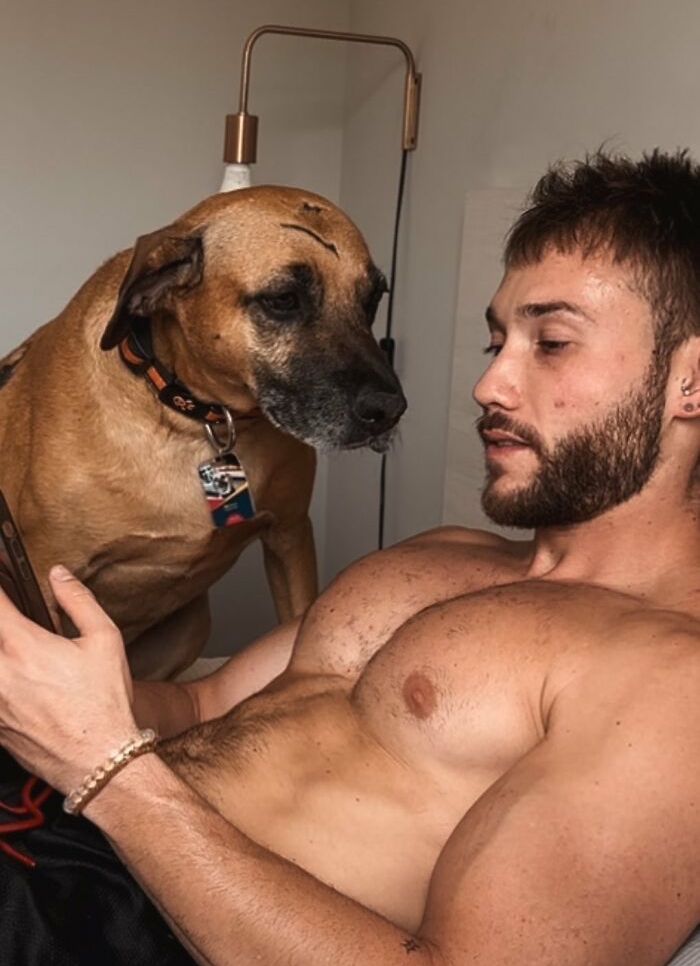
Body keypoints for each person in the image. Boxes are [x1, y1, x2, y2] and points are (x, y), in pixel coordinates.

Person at [0, 148, 698, 966]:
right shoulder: (439, 560)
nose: (488, 386)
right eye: (494, 342)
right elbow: (197, 710)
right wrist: (43, 700)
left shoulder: (668, 682)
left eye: (550, 343)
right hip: (58, 815)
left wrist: (107, 770)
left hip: (114, 919)